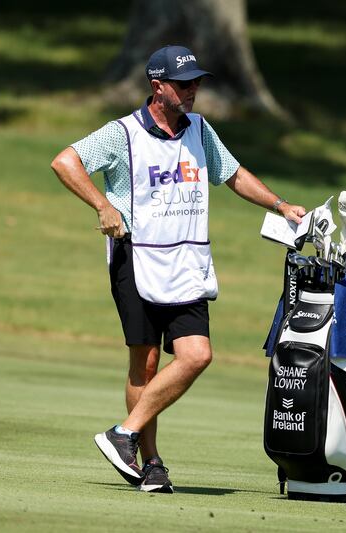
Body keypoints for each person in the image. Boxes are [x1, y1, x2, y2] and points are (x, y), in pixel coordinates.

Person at [50, 45, 305, 493]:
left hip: (187, 261)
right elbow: (65, 162)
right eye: (183, 84)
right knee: (145, 363)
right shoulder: (121, 133)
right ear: (158, 86)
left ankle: (122, 434)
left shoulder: (200, 130)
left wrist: (281, 205)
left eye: (197, 83)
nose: (193, 91)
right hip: (136, 257)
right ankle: (150, 465)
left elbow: (233, 174)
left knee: (197, 355)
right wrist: (102, 204)